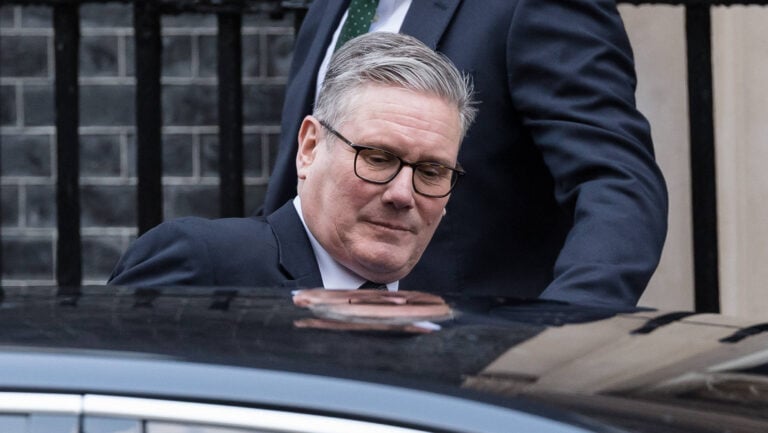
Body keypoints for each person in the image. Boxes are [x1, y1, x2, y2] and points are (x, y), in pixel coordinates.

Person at [261, 0, 669, 307]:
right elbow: (303, 178)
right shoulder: (333, 8)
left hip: (462, 353)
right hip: (301, 339)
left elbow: (616, 182)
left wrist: (561, 327)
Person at [108, 32, 476, 290]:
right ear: (310, 148)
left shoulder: (459, 309)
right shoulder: (205, 266)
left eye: (431, 172)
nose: (402, 194)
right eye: (378, 158)